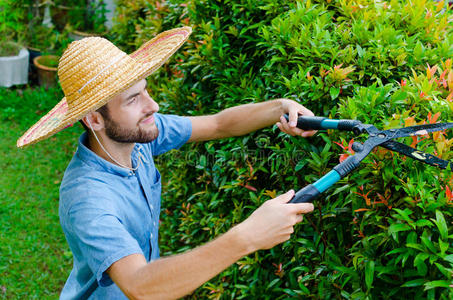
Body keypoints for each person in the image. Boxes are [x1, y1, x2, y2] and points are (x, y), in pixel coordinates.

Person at [17, 27, 316, 299]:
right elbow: (139, 286)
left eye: (145, 89)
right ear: (94, 119)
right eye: (133, 99)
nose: (153, 106)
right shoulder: (87, 198)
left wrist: (282, 107)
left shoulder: (138, 137)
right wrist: (248, 236)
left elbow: (217, 124)